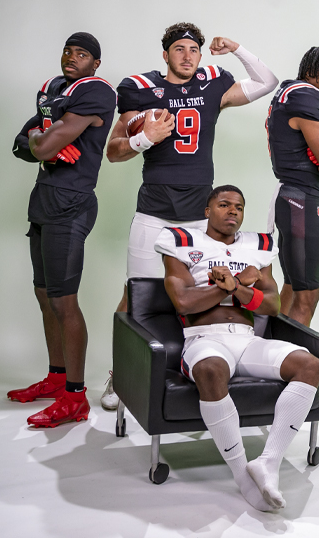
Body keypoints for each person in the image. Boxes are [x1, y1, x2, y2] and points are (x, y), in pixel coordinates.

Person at [101, 22, 279, 411]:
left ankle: (196, 367)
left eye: (194, 50)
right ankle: (121, 374)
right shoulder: (141, 88)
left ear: (201, 55)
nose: (187, 56)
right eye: (179, 49)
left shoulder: (212, 85)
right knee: (135, 295)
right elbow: (113, 151)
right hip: (154, 213)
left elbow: (267, 81)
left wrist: (237, 48)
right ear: (165, 54)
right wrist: (145, 138)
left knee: (203, 292)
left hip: (199, 221)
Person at [157, 185, 319, 512]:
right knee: (209, 370)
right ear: (207, 211)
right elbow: (184, 302)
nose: (233, 211)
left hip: (247, 339)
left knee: (310, 365)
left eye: (239, 207)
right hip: (204, 338)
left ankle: (268, 463)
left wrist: (235, 287)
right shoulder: (181, 241)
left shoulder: (257, 247)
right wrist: (233, 287)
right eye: (224, 204)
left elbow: (273, 305)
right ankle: (241, 474)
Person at [8, 32, 116, 428]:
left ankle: (75, 396)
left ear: (95, 63)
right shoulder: (54, 87)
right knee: (44, 295)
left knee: (64, 302)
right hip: (43, 200)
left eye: (82, 53)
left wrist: (42, 141)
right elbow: (22, 144)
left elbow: (38, 146)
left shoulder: (96, 91)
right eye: (68, 51)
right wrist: (43, 141)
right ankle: (56, 377)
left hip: (71, 204)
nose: (72, 57)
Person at [263, 46, 319, 326]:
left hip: (288, 197)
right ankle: (296, 353)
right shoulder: (307, 96)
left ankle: (272, 348)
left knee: (292, 286)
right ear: (310, 70)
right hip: (301, 200)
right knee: (307, 295)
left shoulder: (288, 92)